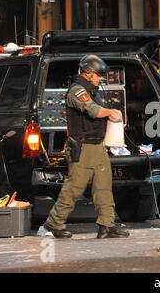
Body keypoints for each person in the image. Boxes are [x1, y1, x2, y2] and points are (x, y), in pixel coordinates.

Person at [44, 54, 130, 239]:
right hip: (82, 148)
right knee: (74, 187)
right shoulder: (77, 91)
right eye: (98, 75)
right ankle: (54, 222)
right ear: (88, 73)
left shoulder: (92, 90)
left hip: (97, 146)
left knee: (103, 187)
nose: (100, 78)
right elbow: (93, 110)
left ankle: (107, 225)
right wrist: (111, 112)